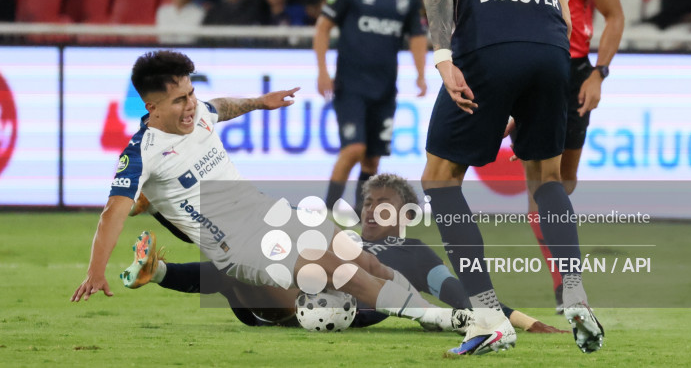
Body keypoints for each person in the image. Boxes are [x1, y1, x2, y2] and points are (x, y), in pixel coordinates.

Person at [70, 50, 464, 339]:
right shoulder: (141, 153)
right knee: (337, 270)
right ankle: (441, 319)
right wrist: (95, 270)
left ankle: (440, 315)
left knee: (362, 259)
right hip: (239, 245)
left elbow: (219, 106)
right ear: (150, 106)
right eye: (179, 101)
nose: (191, 106)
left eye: (190, 94)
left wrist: (260, 102)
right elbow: (112, 214)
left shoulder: (199, 112)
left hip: (269, 212)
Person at [408, 0, 602, 355]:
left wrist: (445, 58)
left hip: (487, 47)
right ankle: (577, 298)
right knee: (545, 177)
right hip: (551, 50)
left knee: (440, 179)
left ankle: (489, 316)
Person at [120, 173, 564, 334]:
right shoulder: (338, 238)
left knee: (245, 266)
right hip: (292, 297)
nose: (371, 209)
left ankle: (158, 270)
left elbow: (452, 288)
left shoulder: (411, 249)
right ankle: (157, 261)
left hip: (344, 308)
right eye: (368, 202)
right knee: (243, 252)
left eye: (382, 204)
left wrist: (524, 321)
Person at [515, 0, 624, 312]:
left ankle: (566, 275)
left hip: (574, 73)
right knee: (542, 188)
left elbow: (614, 16)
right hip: (525, 72)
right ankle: (567, 286)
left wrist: (600, 72)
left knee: (562, 183)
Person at [314, 0, 427, 214]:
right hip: (351, 86)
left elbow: (416, 35)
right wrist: (323, 71)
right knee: (353, 149)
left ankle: (362, 215)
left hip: (385, 89)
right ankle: (327, 211)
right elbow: (323, 27)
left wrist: (421, 73)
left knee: (372, 161)